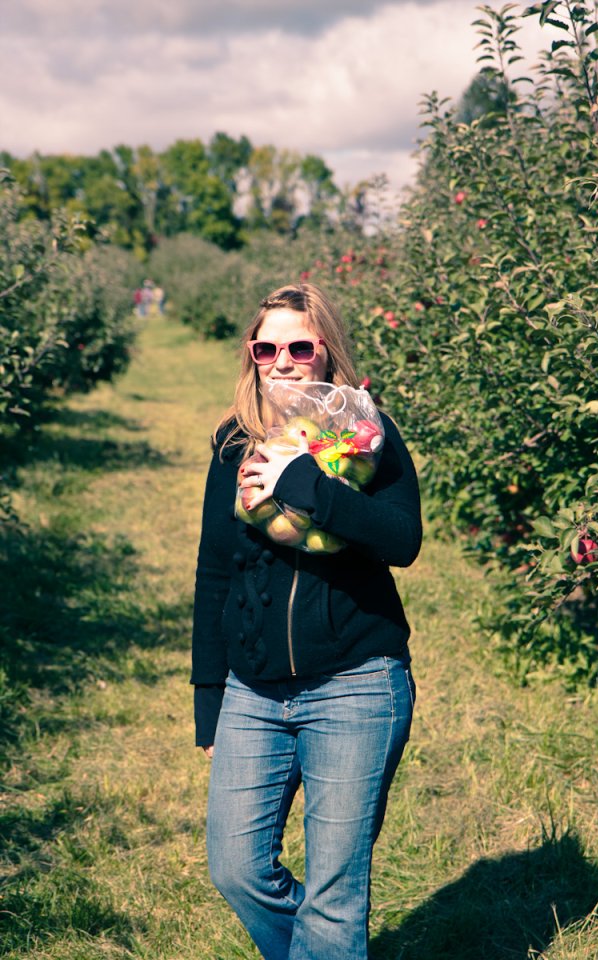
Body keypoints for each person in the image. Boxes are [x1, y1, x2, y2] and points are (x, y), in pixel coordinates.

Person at [191, 282, 422, 960]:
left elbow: (401, 540)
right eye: (267, 347)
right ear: (252, 356)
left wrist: (303, 483)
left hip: (357, 684)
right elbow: (214, 570)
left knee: (334, 895)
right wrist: (209, 694)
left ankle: (328, 944)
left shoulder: (368, 433)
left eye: (300, 346)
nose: (283, 360)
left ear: (327, 353)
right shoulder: (233, 443)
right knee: (236, 869)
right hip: (253, 691)